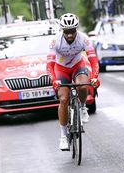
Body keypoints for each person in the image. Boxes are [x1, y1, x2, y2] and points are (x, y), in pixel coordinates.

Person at [46, 13, 100, 150]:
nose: (70, 35)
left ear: (76, 29)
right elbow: (49, 65)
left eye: (72, 31)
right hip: (61, 69)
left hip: (78, 66)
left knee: (83, 86)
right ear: (62, 30)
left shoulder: (84, 39)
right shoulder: (55, 41)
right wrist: (54, 80)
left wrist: (95, 77)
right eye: (66, 32)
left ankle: (82, 107)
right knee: (63, 99)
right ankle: (63, 136)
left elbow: (93, 60)